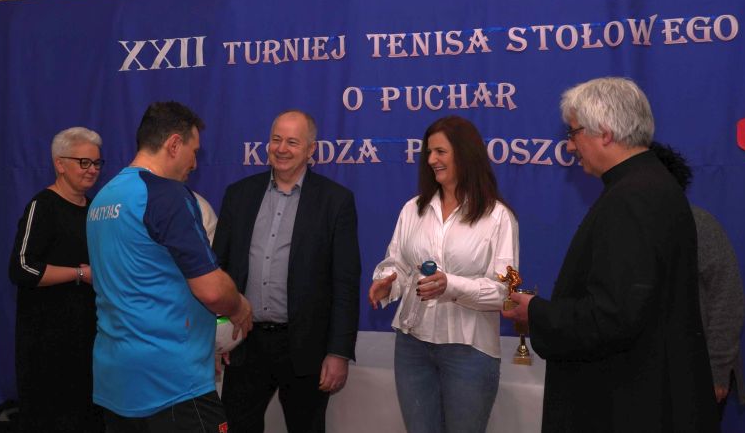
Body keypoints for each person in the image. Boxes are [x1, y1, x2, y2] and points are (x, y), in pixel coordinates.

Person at [502, 77, 719, 432]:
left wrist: (536, 312)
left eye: (574, 132)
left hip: (628, 400)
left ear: (604, 132)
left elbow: (613, 316)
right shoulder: (651, 185)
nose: (570, 146)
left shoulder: (632, 198)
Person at [86, 102, 253, 433]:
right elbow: (211, 290)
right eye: (194, 151)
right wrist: (239, 306)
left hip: (116, 379)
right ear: (174, 144)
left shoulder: (103, 197)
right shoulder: (167, 195)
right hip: (171, 383)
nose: (195, 163)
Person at [213, 110, 360, 433]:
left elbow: (346, 284)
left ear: (311, 150)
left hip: (306, 347)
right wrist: (216, 336)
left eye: (292, 142)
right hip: (244, 341)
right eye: (276, 140)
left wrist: (338, 352)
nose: (281, 148)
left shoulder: (335, 201)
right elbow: (218, 269)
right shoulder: (238, 195)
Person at [369, 116, 518, 433]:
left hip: (470, 352)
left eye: (440, 151)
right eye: (429, 152)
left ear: (465, 154)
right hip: (412, 346)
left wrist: (450, 285)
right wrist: (387, 284)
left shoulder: (498, 217)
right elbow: (398, 264)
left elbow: (504, 293)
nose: (431, 160)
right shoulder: (413, 209)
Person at [8, 126, 105, 433]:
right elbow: (22, 268)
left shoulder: (96, 211)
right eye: (83, 162)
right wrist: (79, 274)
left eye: (97, 163)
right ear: (59, 164)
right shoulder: (43, 206)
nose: (92, 170)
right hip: (46, 342)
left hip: (88, 337)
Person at [649, 142, 745, 414]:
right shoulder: (620, 226)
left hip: (695, 372)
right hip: (644, 374)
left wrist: (716, 370)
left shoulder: (698, 225)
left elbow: (727, 301)